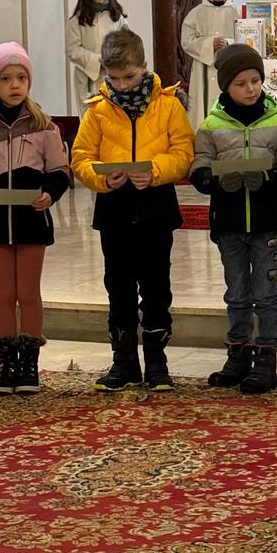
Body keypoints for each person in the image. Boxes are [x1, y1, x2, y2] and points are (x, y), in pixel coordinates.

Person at [71, 26, 194, 392]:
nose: (122, 86)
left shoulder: (168, 105)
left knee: (156, 285)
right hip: (115, 209)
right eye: (114, 79)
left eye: (129, 77)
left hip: (155, 207)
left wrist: (155, 171)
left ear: (144, 66)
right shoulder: (97, 110)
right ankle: (123, 361)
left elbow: (183, 153)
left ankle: (157, 362)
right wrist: (101, 177)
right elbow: (80, 158)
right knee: (118, 286)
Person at [0, 43, 70, 397]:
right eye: (6, 79)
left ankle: (30, 362)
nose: (15, 85)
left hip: (32, 221)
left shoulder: (44, 126)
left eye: (21, 77)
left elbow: (60, 171)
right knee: (4, 294)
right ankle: (7, 363)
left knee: (28, 293)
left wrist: (49, 194)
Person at [189, 43, 277, 394]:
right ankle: (237, 355)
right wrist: (212, 180)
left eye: (255, 80)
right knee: (237, 293)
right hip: (230, 222)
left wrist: (268, 177)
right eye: (240, 83)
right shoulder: (211, 125)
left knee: (265, 294)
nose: (250, 89)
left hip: (266, 221)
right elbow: (199, 166)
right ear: (226, 87)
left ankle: (266, 359)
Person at [181, 0, 240, 127]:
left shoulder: (236, 12)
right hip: (204, 67)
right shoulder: (196, 13)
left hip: (229, 65)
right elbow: (186, 41)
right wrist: (209, 44)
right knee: (203, 105)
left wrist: (228, 43)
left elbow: (245, 38)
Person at [66, 0, 127, 107]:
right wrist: (98, 60)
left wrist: (114, 59)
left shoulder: (117, 18)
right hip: (88, 76)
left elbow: (126, 44)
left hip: (113, 74)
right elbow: (72, 50)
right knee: (90, 114)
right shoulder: (76, 21)